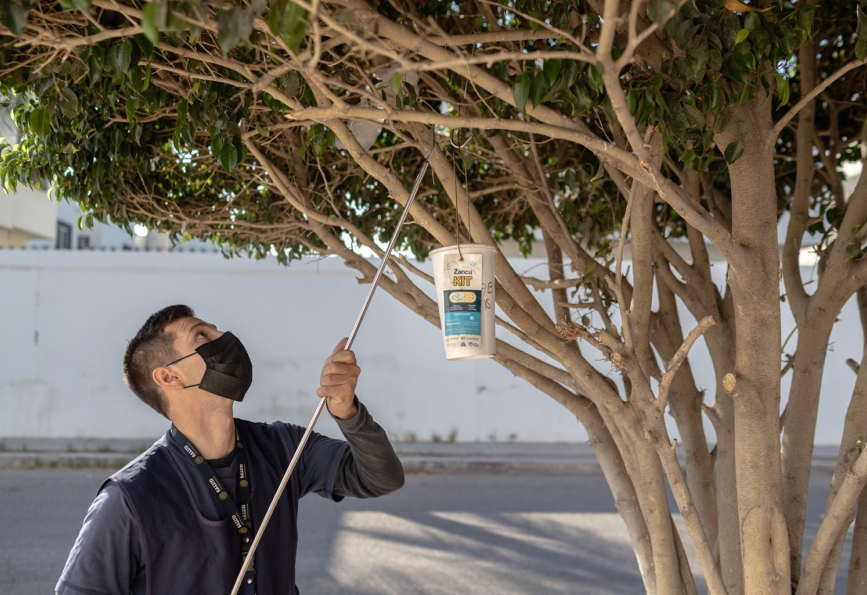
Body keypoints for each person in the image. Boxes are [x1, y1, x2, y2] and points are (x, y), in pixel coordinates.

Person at [55, 304, 404, 595]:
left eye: (216, 331)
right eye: (202, 336)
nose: (224, 338)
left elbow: (381, 478)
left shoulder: (284, 447)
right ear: (168, 377)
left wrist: (346, 410)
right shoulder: (128, 498)